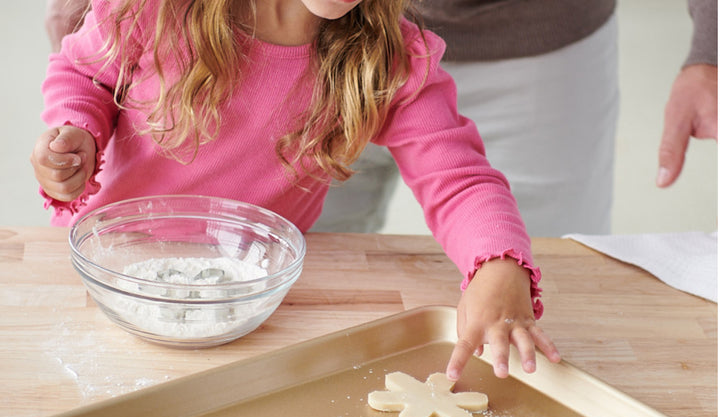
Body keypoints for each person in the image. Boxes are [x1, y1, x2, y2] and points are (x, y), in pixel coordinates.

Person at [32, 0, 561, 382]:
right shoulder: (155, 8)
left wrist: (497, 264)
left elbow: (458, 179)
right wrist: (76, 129)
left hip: (248, 294)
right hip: (113, 269)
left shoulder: (390, 56)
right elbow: (86, 74)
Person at [310, 0, 717, 236]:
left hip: (540, 48)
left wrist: (712, 46)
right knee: (286, 267)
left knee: (546, 285)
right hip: (326, 39)